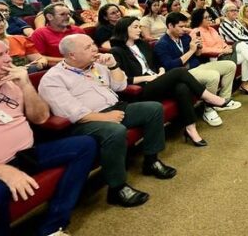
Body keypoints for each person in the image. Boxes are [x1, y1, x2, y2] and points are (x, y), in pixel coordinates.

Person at [0, 36, 96, 236]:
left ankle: (53, 226)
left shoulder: (10, 82)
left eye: (7, 52)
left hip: (25, 155)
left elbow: (41, 117)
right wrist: (1, 170)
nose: (9, 59)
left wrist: (25, 84)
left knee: (85, 145)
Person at [39, 34, 175, 207]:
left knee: (153, 109)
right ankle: (117, 188)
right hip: (85, 122)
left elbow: (120, 86)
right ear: (72, 55)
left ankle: (151, 161)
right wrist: (105, 117)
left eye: (93, 44)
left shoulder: (96, 65)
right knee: (115, 131)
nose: (95, 49)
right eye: (88, 47)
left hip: (114, 108)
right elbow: (71, 113)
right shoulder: (53, 79)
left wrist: (113, 65)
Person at [110, 17, 235, 146]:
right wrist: (148, 78)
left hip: (157, 80)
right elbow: (123, 80)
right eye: (135, 27)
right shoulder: (116, 51)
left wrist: (161, 71)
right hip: (142, 88)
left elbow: (158, 63)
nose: (139, 30)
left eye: (139, 27)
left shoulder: (142, 44)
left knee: (182, 87)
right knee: (179, 71)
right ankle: (210, 98)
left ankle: (191, 129)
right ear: (124, 29)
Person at [154, 13, 239, 127]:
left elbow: (197, 55)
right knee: (213, 76)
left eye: (185, 26)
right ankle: (209, 109)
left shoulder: (185, 37)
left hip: (196, 67)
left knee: (230, 65)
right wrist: (191, 51)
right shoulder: (161, 44)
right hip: (184, 74)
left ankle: (224, 99)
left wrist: (198, 47)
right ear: (170, 26)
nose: (184, 29)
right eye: (181, 26)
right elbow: (170, 66)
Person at [191, 8, 248, 95]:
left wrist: (227, 47)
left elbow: (221, 41)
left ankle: (245, 83)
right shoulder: (196, 32)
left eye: (209, 17)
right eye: (206, 17)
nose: (209, 19)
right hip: (214, 58)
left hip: (224, 54)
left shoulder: (211, 29)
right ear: (199, 19)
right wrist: (222, 50)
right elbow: (203, 49)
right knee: (242, 45)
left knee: (245, 53)